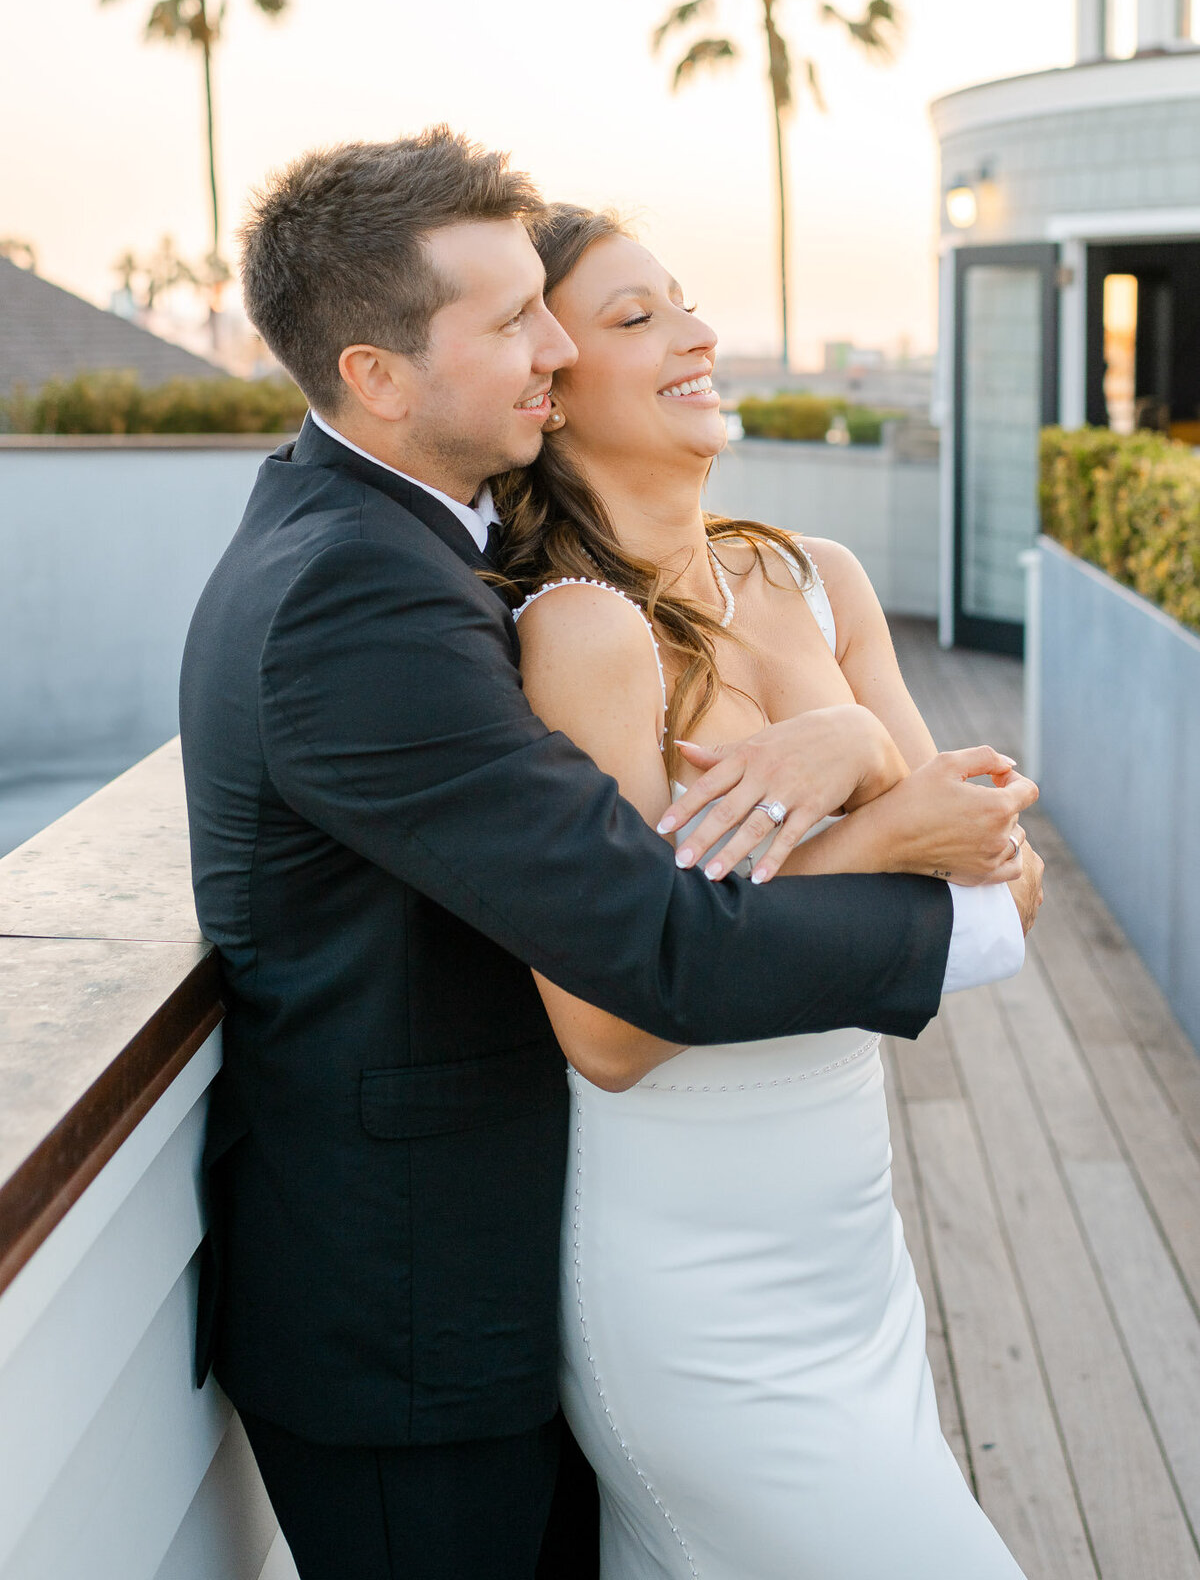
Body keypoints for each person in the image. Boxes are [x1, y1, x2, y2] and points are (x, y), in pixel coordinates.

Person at [177, 129, 1040, 1580]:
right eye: (528, 323)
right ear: (380, 376)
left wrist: (862, 759)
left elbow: (994, 848)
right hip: (440, 1302)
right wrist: (895, 823)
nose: (548, 347)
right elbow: (629, 982)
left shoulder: (762, 572)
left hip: (827, 1227)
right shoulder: (396, 596)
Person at [498, 203, 1038, 1578]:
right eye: (637, 319)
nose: (698, 335)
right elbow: (610, 1031)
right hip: (694, 1280)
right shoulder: (581, 635)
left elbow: (1003, 894)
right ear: (550, 397)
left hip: (852, 1240)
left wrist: (859, 759)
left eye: (684, 304)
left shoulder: (814, 578)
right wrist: (868, 800)